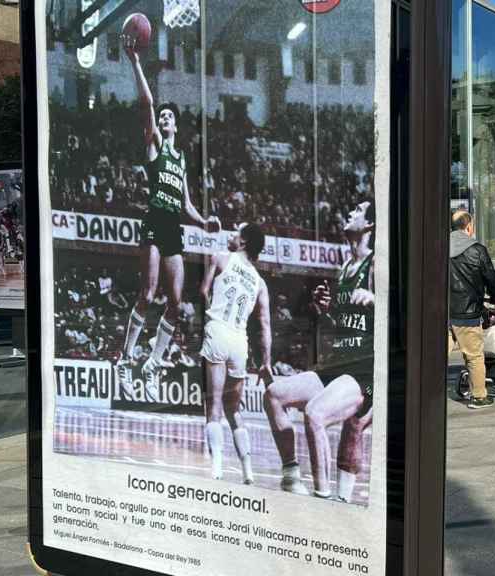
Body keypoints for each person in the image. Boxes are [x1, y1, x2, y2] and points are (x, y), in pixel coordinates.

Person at [116, 33, 220, 400]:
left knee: (176, 304)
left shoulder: (180, 160)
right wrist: (135, 62)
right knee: (147, 292)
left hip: (174, 227)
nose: (162, 118)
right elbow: (146, 103)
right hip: (154, 223)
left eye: (168, 116)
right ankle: (126, 360)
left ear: (176, 125)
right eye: (160, 116)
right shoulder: (156, 147)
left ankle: (153, 364)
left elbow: (186, 205)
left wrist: (204, 222)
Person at [263, 201, 376, 499]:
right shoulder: (345, 268)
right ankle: (291, 475)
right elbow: (337, 321)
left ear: (369, 225)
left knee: (315, 414)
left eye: (357, 211)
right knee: (274, 394)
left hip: (363, 367)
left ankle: (324, 498)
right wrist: (324, 308)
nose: (349, 212)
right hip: (337, 363)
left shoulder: (376, 263)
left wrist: (376, 298)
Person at [199, 223, 271, 484]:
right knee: (235, 410)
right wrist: (266, 362)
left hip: (218, 329)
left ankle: (217, 468)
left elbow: (203, 291)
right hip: (240, 342)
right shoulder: (260, 283)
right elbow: (264, 325)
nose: (230, 234)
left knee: (214, 407)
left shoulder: (220, 257)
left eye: (235, 232)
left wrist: (210, 319)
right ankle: (247, 471)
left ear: (242, 242)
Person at [449, 210, 495, 410]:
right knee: (474, 356)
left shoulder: (437, 246)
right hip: (467, 313)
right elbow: (492, 279)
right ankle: (479, 397)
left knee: (435, 358)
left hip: (441, 313)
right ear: (469, 226)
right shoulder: (477, 250)